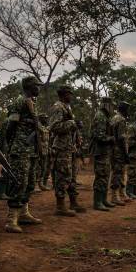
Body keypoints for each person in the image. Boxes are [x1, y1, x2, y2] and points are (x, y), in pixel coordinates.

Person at [1, 75, 43, 233]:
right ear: (29, 86)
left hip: (31, 149)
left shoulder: (32, 102)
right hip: (20, 149)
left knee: (30, 181)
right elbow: (11, 125)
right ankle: (11, 219)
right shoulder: (20, 101)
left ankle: (24, 213)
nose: (38, 88)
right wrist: (10, 144)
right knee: (19, 182)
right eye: (36, 86)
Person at [49, 85, 86, 216]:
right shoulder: (58, 107)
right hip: (61, 148)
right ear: (63, 94)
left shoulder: (67, 107)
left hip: (70, 147)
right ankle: (60, 206)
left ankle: (73, 202)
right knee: (63, 175)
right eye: (69, 93)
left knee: (72, 177)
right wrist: (73, 123)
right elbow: (54, 127)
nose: (71, 95)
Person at [91, 97, 116, 211]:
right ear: (106, 105)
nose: (112, 108)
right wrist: (111, 138)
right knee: (101, 176)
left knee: (106, 175)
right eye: (111, 105)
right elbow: (99, 136)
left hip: (105, 151)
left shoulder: (105, 116)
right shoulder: (100, 116)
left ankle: (104, 199)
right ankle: (98, 202)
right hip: (100, 151)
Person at [110, 101, 130, 204]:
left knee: (118, 172)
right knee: (118, 173)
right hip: (119, 150)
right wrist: (126, 154)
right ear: (124, 109)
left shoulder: (114, 118)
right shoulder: (121, 119)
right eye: (127, 109)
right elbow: (121, 138)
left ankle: (121, 193)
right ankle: (115, 196)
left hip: (114, 149)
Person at [37, 113, 52, 191]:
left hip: (44, 151)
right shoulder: (38, 126)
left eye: (46, 118)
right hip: (38, 151)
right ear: (40, 119)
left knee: (43, 167)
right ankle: (37, 185)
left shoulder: (44, 127)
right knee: (38, 168)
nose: (46, 119)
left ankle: (40, 184)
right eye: (44, 118)